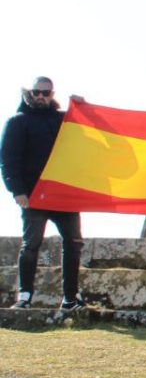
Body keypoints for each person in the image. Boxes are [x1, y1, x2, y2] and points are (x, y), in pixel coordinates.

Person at [2, 77, 86, 311]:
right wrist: (17, 191)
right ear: (30, 93)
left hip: (63, 195)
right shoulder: (18, 122)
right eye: (37, 92)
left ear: (52, 95)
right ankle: (25, 296)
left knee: (74, 242)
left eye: (45, 93)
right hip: (33, 196)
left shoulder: (64, 120)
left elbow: (90, 137)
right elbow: (8, 160)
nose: (40, 96)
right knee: (31, 244)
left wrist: (83, 107)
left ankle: (70, 297)